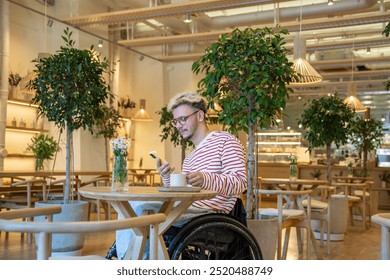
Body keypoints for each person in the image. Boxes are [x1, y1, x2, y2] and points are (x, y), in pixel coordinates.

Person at [113, 91, 247, 259]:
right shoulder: (190, 158)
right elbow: (183, 192)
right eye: (176, 121)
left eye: (183, 119)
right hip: (187, 209)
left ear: (199, 116)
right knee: (131, 204)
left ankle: (131, 265)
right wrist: (167, 178)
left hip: (210, 214)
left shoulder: (225, 141)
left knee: (140, 210)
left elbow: (240, 182)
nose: (178, 125)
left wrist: (206, 179)